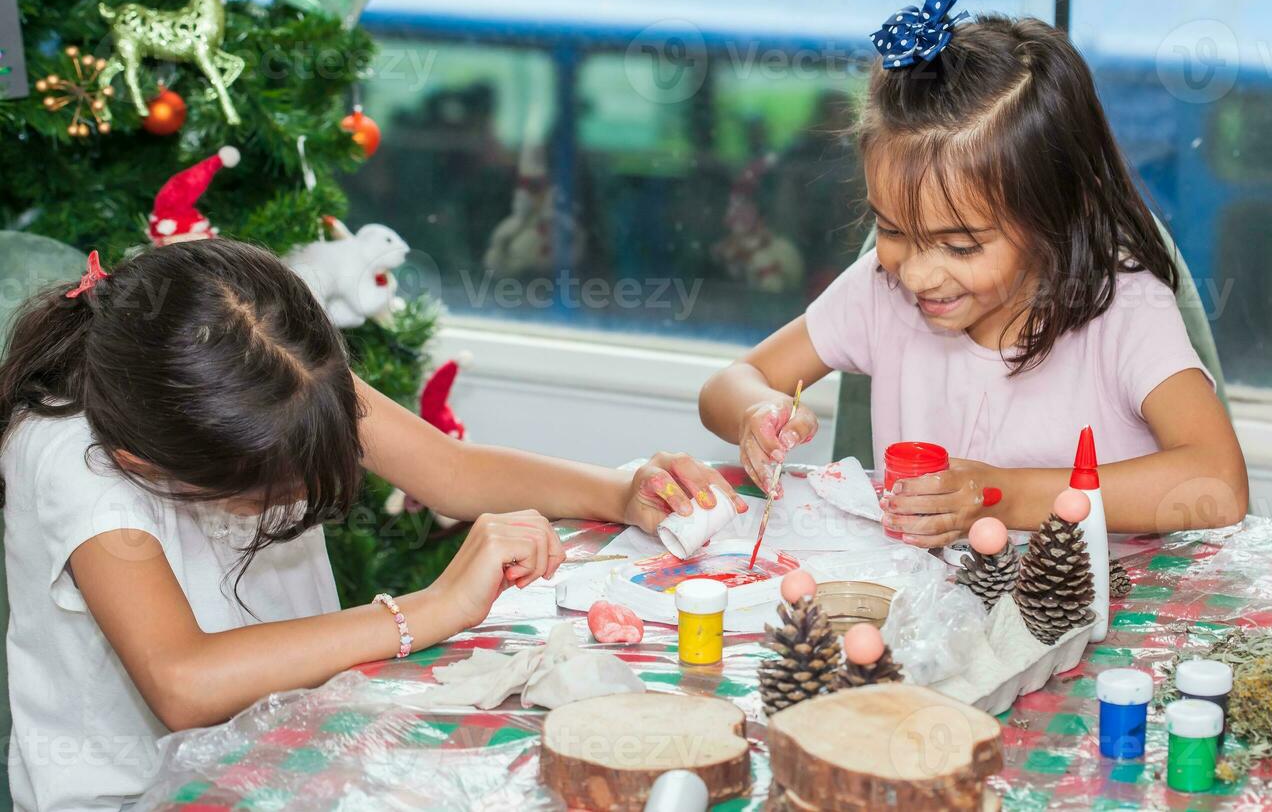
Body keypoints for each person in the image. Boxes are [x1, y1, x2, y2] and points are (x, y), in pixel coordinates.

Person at [0, 239, 741, 811]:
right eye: (271, 493)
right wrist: (429, 609)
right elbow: (182, 679)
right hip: (138, 795)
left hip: (291, 742)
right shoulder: (76, 459)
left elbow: (449, 471)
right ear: (147, 458)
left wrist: (617, 490)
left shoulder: (269, 371)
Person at [700, 0, 1247, 543]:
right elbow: (727, 385)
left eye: (959, 247)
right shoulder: (880, 291)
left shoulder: (1123, 308)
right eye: (892, 230)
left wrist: (1001, 495)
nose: (916, 274)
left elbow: (1218, 484)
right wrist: (756, 411)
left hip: (1093, 614)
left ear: (1053, 212)